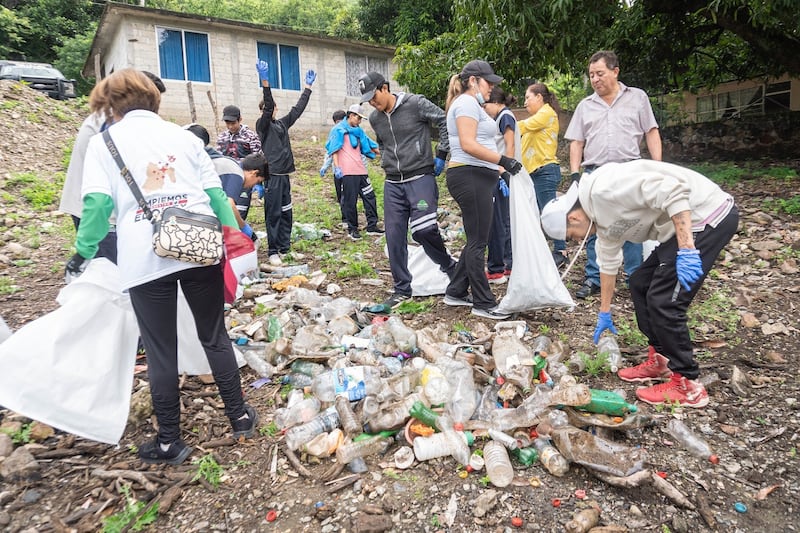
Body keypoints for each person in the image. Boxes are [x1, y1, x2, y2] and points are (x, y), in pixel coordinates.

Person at [64, 69, 258, 465]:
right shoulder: (185, 137)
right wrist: (238, 238)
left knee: (161, 351)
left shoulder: (105, 144)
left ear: (113, 106)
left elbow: (98, 208)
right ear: (155, 101)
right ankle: (239, 416)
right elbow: (218, 198)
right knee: (214, 336)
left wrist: (82, 254)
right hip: (199, 245)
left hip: (145, 255)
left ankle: (171, 440)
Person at [540, 159, 738, 407]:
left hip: (706, 215)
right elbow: (608, 264)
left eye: (571, 237)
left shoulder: (605, 189)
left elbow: (674, 190)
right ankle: (662, 360)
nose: (576, 241)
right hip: (680, 228)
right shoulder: (600, 222)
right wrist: (604, 313)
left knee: (664, 301)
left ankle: (687, 383)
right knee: (640, 283)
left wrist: (687, 248)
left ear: (575, 218)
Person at [565, 50, 662, 299]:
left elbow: (651, 131)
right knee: (591, 226)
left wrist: (658, 166)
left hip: (629, 170)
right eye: (591, 75)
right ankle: (594, 277)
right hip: (595, 173)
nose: (595, 79)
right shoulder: (585, 106)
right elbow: (576, 142)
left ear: (615, 71)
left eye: (600, 73)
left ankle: (634, 277)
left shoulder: (637, 98)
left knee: (633, 224)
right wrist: (576, 175)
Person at [359, 71, 456, 309]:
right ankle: (402, 288)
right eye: (368, 100)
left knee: (423, 230)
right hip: (393, 184)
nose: (373, 103)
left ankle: (450, 267)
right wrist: (386, 160)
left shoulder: (415, 104)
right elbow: (382, 142)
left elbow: (444, 120)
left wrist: (442, 153)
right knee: (393, 236)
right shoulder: (375, 119)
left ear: (385, 88)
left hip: (420, 179)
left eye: (374, 96)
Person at [443, 60, 523, 320]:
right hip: (470, 174)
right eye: (488, 82)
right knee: (479, 242)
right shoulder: (466, 103)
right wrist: (503, 160)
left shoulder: (472, 104)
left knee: (477, 237)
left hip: (476, 175)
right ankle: (483, 302)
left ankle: (456, 290)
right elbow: (467, 143)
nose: (492, 88)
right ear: (473, 81)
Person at [59, 71, 167, 264]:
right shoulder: (110, 123)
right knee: (112, 274)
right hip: (101, 215)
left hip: (97, 208)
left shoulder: (109, 117)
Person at [255, 60, 316, 266]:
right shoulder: (262, 126)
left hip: (285, 176)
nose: (271, 110)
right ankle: (272, 251)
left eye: (272, 108)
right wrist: (265, 81)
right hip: (272, 177)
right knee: (272, 214)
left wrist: (307, 88)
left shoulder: (281, 123)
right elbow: (268, 103)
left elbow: (297, 110)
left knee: (286, 212)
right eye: (267, 109)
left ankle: (284, 248)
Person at [184, 123, 264, 240]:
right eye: (257, 181)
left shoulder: (205, 160)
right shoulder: (236, 173)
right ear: (254, 173)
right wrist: (240, 229)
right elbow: (228, 204)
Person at [518, 82, 567, 268]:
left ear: (539, 97)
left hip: (545, 170)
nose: (525, 102)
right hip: (535, 172)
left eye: (527, 97)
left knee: (550, 213)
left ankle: (561, 251)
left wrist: (502, 122)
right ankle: (546, 252)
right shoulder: (539, 118)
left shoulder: (546, 113)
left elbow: (520, 126)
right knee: (540, 214)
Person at [325, 104, 382, 240]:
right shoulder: (338, 130)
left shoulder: (358, 131)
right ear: (350, 115)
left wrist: (386, 154)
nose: (359, 121)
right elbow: (334, 150)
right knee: (350, 201)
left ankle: (372, 226)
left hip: (361, 170)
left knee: (370, 197)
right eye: (358, 117)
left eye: (361, 118)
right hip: (348, 171)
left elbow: (370, 145)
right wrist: (337, 167)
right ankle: (353, 229)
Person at [481, 86, 516, 284]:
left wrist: (505, 169)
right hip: (503, 171)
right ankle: (507, 264)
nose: (485, 109)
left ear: (495, 103)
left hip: (502, 172)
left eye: (486, 105)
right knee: (505, 220)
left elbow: (509, 145)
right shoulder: (503, 116)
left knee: (499, 221)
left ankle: (498, 268)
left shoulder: (504, 117)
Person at [320, 109, 348, 225]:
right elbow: (331, 151)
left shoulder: (349, 132)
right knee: (341, 196)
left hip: (349, 171)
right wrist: (325, 166)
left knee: (347, 197)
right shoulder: (335, 133)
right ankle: (345, 219)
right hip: (338, 171)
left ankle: (349, 220)